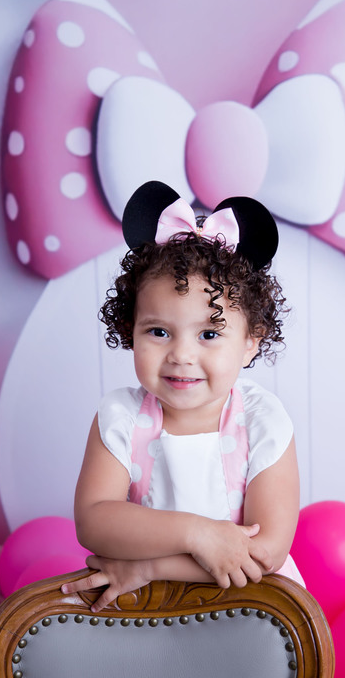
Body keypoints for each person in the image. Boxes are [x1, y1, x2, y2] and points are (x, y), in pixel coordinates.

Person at [63, 180, 301, 613]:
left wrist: (151, 567)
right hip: (153, 612)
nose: (181, 355)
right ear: (129, 330)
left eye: (209, 334)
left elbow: (264, 553)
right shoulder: (121, 417)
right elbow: (94, 520)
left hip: (254, 608)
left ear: (250, 342)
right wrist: (197, 533)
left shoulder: (260, 420)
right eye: (158, 331)